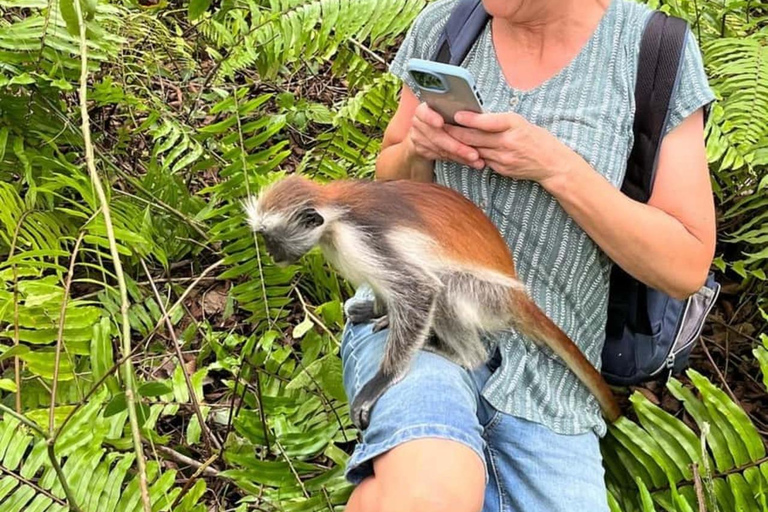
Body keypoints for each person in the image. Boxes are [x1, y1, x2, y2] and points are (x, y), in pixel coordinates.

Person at [341, 0, 716, 510]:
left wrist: (557, 168)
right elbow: (391, 183)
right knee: (429, 490)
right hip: (421, 322)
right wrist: (417, 150)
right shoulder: (449, 26)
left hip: (551, 380)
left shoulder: (653, 50)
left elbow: (685, 263)